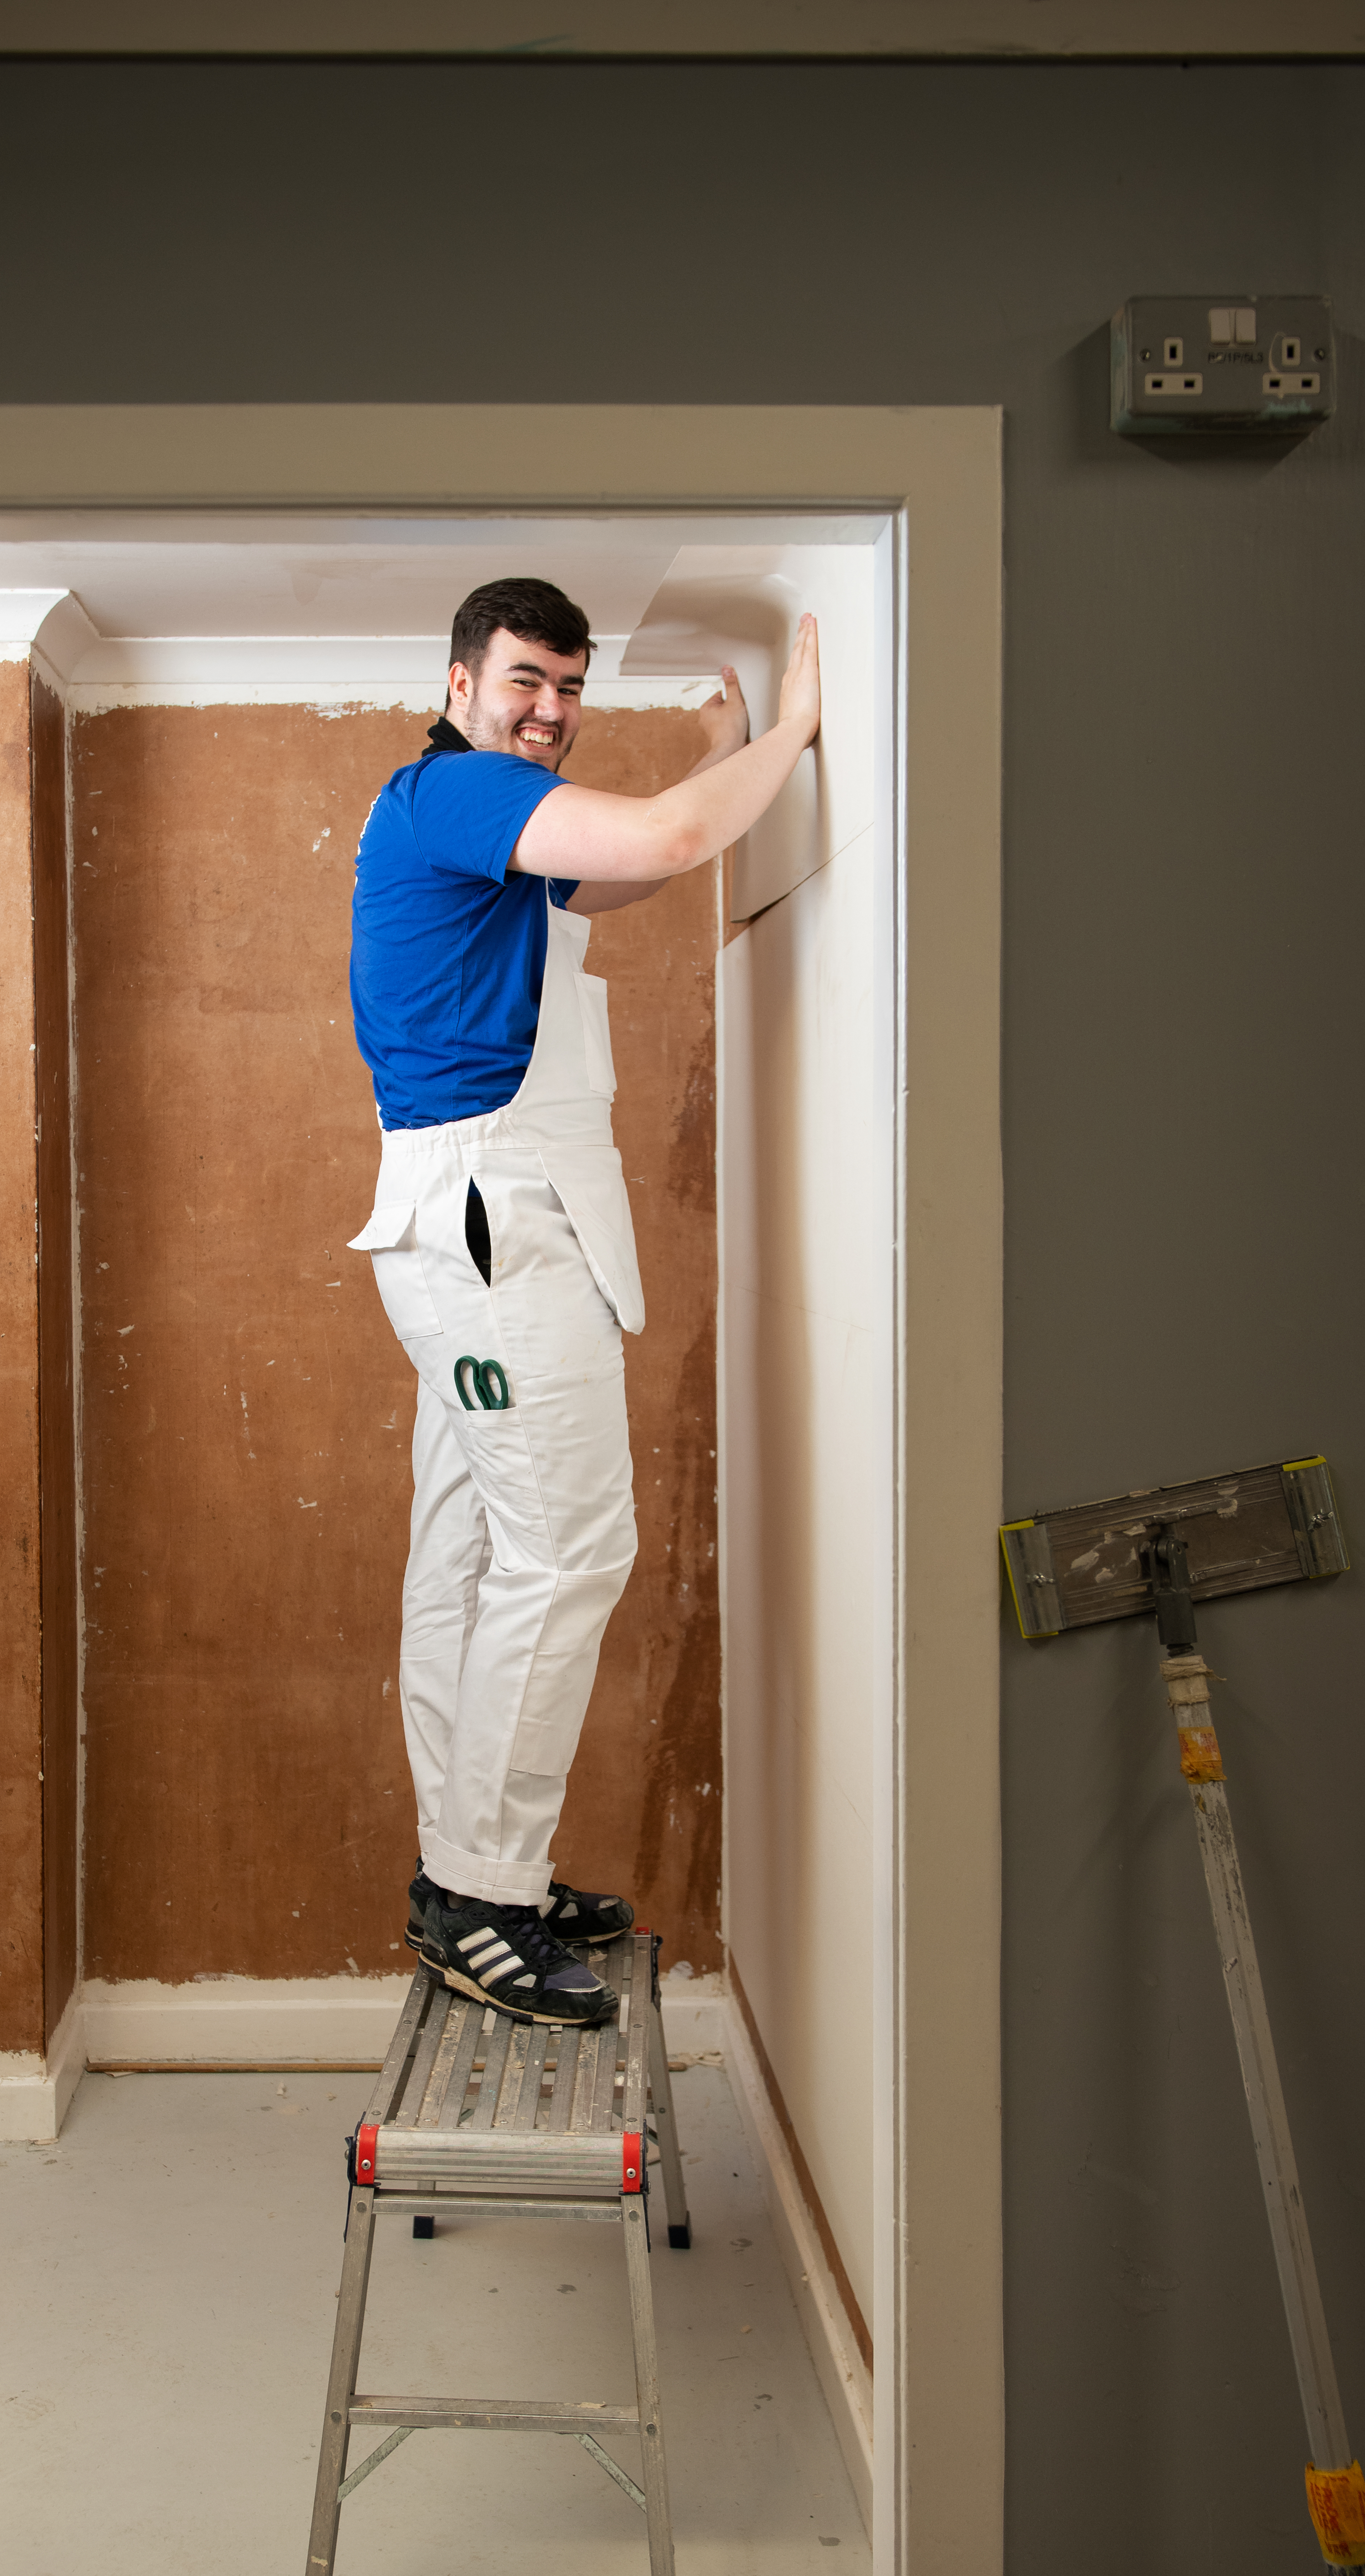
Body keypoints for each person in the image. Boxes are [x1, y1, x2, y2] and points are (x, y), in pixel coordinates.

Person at [348, 576, 822, 2027]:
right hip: (489, 1229)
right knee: (564, 1555)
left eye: (568, 686)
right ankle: (476, 1894)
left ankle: (470, 1865)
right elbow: (668, 839)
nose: (550, 710)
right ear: (458, 684)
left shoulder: (488, 830)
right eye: (525, 681)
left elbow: (629, 871)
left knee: (471, 1552)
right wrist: (793, 732)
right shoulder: (453, 793)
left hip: (473, 1227)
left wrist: (719, 754)